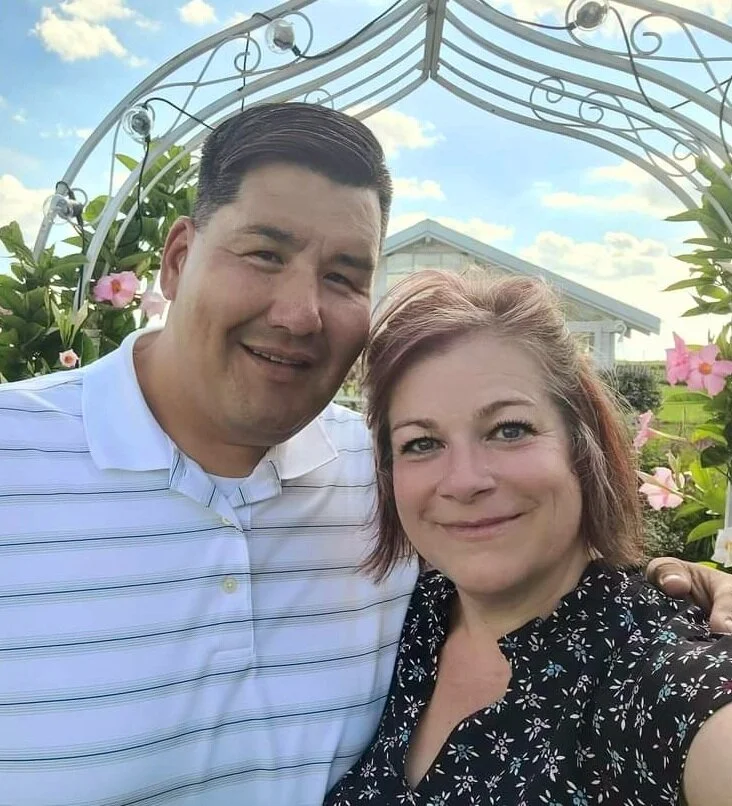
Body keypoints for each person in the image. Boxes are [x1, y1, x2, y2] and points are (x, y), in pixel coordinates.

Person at [0, 103, 728, 806]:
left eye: (345, 275)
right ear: (179, 258)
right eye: (265, 253)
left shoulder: (382, 482)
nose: (299, 312)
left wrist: (687, 586)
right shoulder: (16, 458)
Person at [324, 269, 732, 806]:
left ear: (580, 444)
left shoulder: (657, 677)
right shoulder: (401, 622)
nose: (465, 480)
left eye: (509, 430)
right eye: (422, 443)